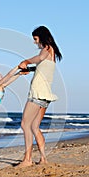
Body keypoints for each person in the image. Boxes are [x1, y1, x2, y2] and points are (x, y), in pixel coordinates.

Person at [17, 25, 63, 167]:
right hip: (45, 96)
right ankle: (43, 159)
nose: (34, 42)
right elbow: (41, 66)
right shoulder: (51, 53)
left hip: (37, 94)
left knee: (25, 124)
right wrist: (28, 69)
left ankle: (27, 160)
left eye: (35, 39)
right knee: (35, 127)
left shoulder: (47, 49)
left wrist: (26, 61)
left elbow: (38, 58)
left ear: (42, 38)